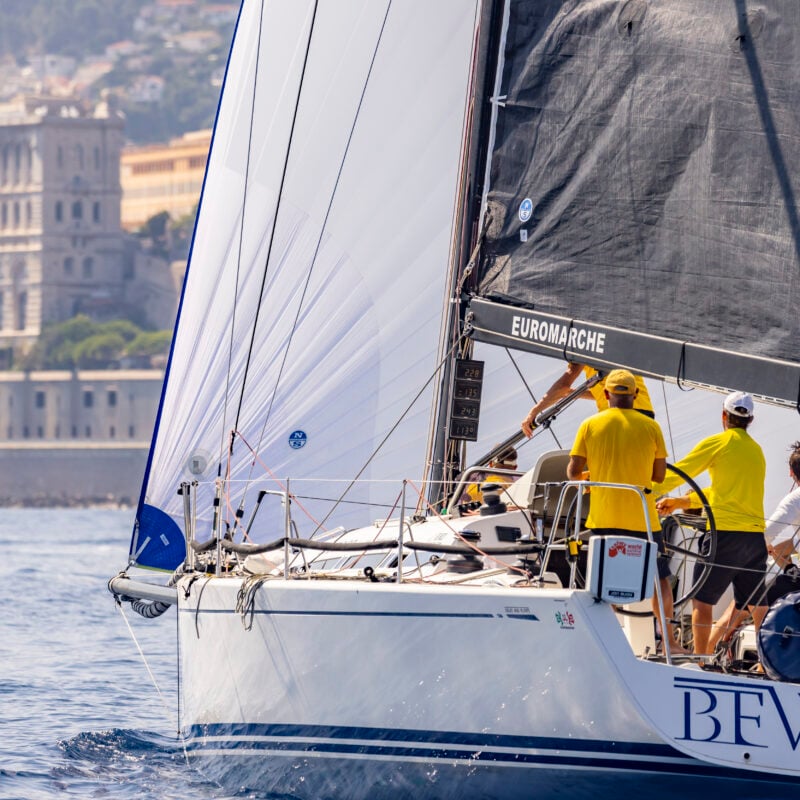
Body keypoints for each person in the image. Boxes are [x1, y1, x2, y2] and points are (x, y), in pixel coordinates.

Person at [567, 369, 682, 653]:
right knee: (660, 579)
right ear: (636, 395)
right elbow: (657, 476)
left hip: (604, 518)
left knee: (603, 579)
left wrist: (597, 478)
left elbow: (573, 473)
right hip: (642, 518)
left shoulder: (589, 425)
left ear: (606, 394)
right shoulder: (650, 427)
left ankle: (606, 641)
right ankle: (668, 640)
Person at [655, 391, 768, 655]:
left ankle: (702, 661)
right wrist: (682, 502)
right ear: (750, 420)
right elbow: (724, 493)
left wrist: (644, 489)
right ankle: (767, 663)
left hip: (724, 536)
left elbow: (679, 472)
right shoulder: (757, 452)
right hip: (753, 539)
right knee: (757, 605)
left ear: (724, 416)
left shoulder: (719, 442)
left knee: (702, 600)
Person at [521, 362, 654, 437]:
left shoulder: (585, 344)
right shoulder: (612, 341)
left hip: (619, 416)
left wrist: (534, 412)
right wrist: (575, 393)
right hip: (645, 412)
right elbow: (608, 391)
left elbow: (563, 385)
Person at [763, 441, 800, 604]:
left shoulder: (794, 499)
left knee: (760, 602)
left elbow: (768, 533)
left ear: (791, 472)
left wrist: (760, 545)